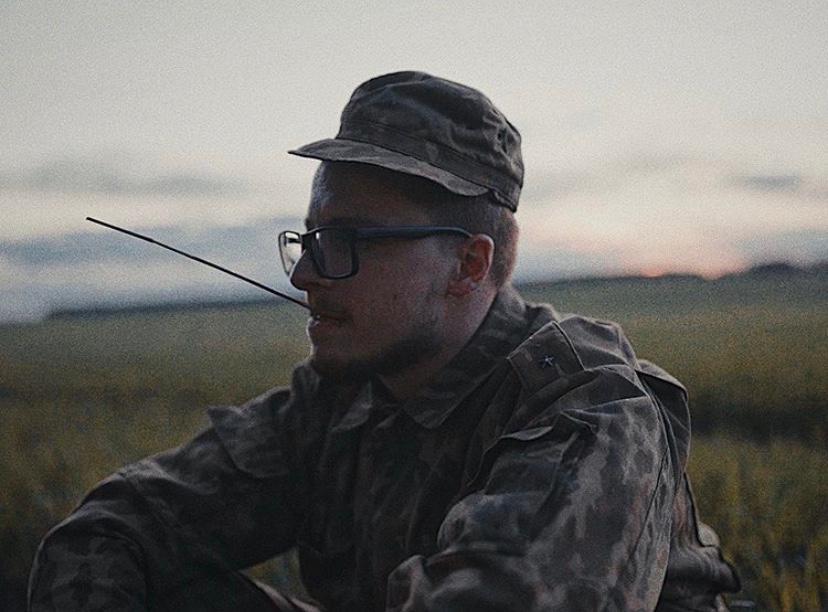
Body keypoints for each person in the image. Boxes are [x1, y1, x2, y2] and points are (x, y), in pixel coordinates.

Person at [29, 71, 739, 611]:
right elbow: (114, 528)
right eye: (309, 240)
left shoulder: (589, 411)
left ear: (469, 265)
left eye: (346, 241)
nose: (308, 274)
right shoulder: (338, 402)